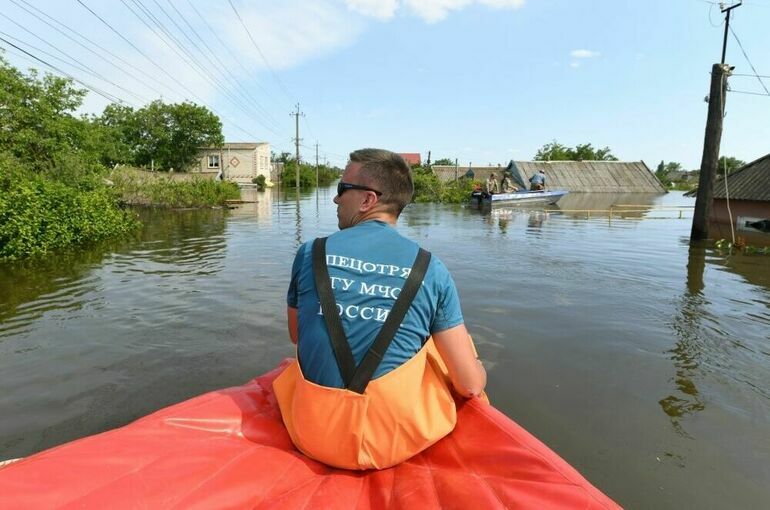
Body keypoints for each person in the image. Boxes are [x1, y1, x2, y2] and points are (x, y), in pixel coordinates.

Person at [275, 148, 486, 470]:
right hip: (393, 442)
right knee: (444, 344)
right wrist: (476, 367)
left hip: (311, 431)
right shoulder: (430, 268)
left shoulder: (310, 253)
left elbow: (296, 334)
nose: (335, 200)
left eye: (341, 189)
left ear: (367, 200)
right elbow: (470, 387)